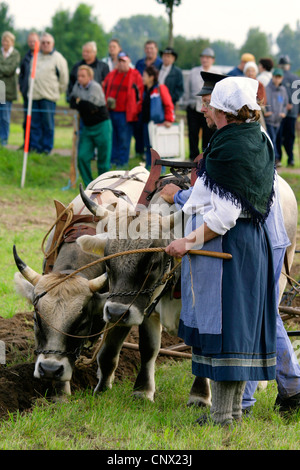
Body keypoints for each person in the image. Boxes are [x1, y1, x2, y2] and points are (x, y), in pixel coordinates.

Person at [161, 71, 300, 418]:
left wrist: (186, 241)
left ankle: (224, 416)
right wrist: (184, 198)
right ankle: (235, 412)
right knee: (239, 330)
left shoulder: (230, 148)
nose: (204, 111)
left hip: (230, 248)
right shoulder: (257, 138)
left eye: (209, 106)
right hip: (250, 246)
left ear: (223, 109)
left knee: (228, 333)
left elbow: (224, 213)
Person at [69, 65, 112, 187]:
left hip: (102, 125)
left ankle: (104, 185)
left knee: (103, 159)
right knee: (82, 156)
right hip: (88, 127)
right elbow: (72, 102)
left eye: (83, 76)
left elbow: (90, 106)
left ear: (90, 77)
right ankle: (90, 185)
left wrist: (79, 102)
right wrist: (80, 103)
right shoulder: (77, 86)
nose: (80, 78)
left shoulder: (95, 87)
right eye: (78, 76)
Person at [29, 33, 68, 154]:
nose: (45, 45)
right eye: (43, 42)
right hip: (34, 96)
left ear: (53, 44)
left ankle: (46, 148)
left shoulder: (58, 58)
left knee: (48, 124)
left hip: (48, 97)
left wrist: (56, 91)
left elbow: (64, 79)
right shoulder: (36, 56)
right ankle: (35, 148)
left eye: (48, 43)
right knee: (35, 124)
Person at [103, 51, 144, 167]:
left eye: (124, 61)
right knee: (112, 137)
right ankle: (113, 160)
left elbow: (139, 95)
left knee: (124, 139)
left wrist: (135, 110)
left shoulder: (135, 75)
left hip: (126, 113)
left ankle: (122, 162)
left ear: (129, 62)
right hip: (111, 111)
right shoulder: (111, 74)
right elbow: (104, 88)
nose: (121, 64)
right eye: (120, 61)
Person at [186, 47, 221, 160]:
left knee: (208, 133)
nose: (205, 60)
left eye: (207, 58)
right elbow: (187, 89)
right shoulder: (193, 72)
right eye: (203, 57)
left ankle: (206, 156)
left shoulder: (217, 73)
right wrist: (188, 102)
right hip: (193, 106)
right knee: (193, 133)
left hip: (210, 107)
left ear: (212, 60)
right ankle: (193, 157)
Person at [141, 65, 174, 167]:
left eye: (144, 76)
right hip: (146, 123)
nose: (143, 78)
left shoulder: (160, 88)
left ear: (151, 77)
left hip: (157, 124)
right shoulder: (145, 90)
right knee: (148, 147)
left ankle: (160, 171)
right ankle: (148, 169)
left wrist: (169, 119)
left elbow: (168, 104)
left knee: (158, 149)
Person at [135, 40, 163, 157]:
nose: (149, 50)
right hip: (142, 99)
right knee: (142, 132)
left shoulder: (161, 64)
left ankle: (155, 160)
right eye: (147, 48)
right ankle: (143, 154)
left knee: (154, 139)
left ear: (156, 50)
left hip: (155, 108)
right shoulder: (139, 63)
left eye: (152, 48)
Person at [276, 55, 300, 167]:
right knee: (291, 136)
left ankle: (279, 158)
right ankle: (291, 159)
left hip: (281, 111)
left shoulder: (279, 77)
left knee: (279, 136)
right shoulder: (296, 78)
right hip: (293, 112)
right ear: (288, 66)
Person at [18, 31, 39, 147]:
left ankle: (37, 146)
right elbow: (22, 74)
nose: (32, 43)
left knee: (37, 122)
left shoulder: (42, 56)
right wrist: (22, 87)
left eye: (34, 41)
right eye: (30, 41)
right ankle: (26, 144)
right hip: (27, 93)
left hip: (38, 93)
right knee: (27, 120)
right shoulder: (26, 57)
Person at [264, 68, 288, 165]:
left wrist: (283, 113)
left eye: (279, 77)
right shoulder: (267, 89)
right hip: (269, 120)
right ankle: (275, 159)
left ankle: (274, 159)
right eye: (276, 77)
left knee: (276, 139)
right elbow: (262, 102)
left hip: (278, 120)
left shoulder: (283, 90)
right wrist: (265, 112)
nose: (277, 79)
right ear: (272, 77)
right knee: (272, 139)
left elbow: (285, 104)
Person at [0, 31, 20, 146]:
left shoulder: (15, 54)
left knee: (5, 116)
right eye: (3, 40)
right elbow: (6, 70)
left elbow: (10, 70)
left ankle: (4, 140)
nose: (5, 43)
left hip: (8, 90)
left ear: (12, 42)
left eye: (7, 41)